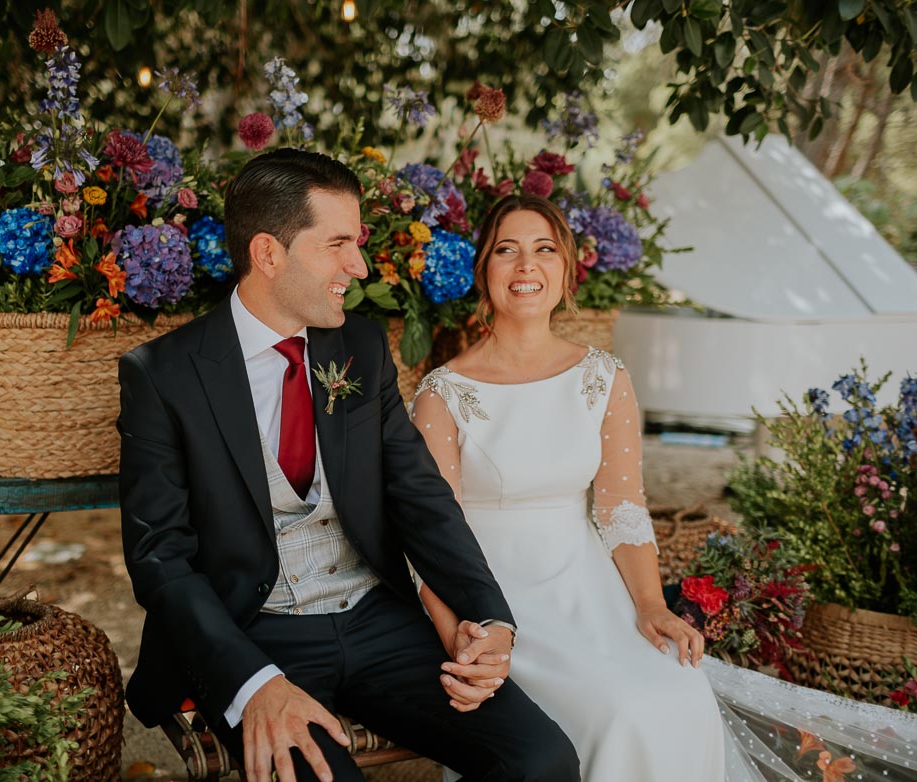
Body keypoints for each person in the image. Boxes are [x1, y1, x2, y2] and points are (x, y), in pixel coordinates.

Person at [411, 194, 917, 782]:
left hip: (589, 589)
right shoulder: (443, 394)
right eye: (507, 251)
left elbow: (622, 507)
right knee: (617, 713)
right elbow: (428, 537)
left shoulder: (605, 376)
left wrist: (651, 606)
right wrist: (461, 639)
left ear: (567, 269)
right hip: (499, 599)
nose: (527, 267)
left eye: (544, 250)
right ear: (483, 272)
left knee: (680, 693)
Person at [118, 150, 580, 782]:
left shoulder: (359, 346)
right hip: (254, 635)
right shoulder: (163, 374)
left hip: (378, 621)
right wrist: (254, 686)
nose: (358, 266)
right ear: (268, 254)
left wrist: (488, 617)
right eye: (337, 244)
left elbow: (420, 495)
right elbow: (159, 559)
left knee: (543, 761)